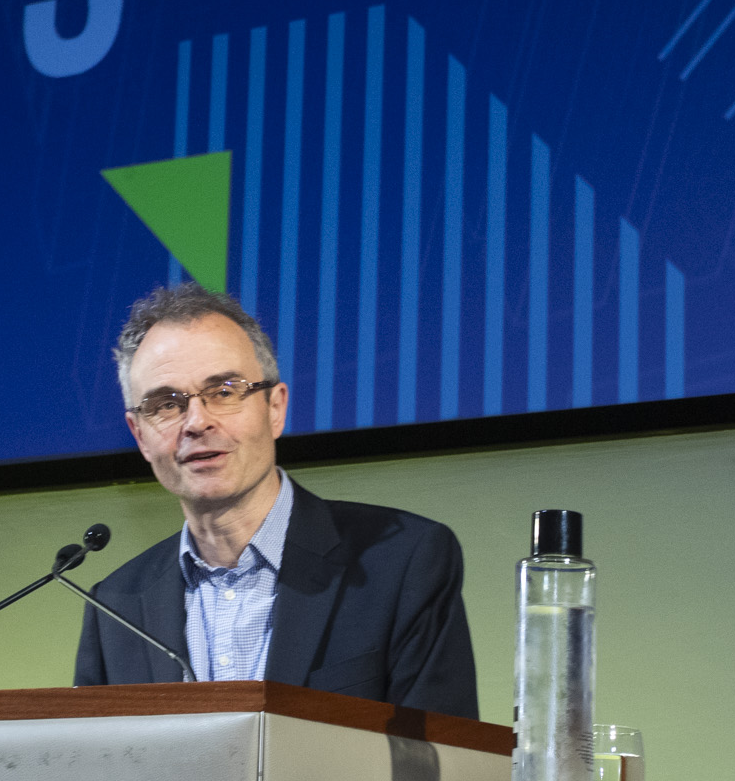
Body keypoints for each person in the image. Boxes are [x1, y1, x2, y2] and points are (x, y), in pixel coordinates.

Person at [74, 283, 479, 717]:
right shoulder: (113, 606)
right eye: (166, 405)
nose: (196, 422)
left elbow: (439, 751)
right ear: (140, 435)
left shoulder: (402, 563)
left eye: (224, 392)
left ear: (275, 409)